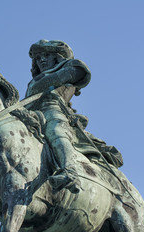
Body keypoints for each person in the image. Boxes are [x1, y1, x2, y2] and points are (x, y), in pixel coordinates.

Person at [25, 40, 123, 193]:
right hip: (31, 114)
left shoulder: (69, 67)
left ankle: (70, 172)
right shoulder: (33, 82)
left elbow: (80, 73)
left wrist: (45, 83)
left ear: (57, 56)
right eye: (38, 58)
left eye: (47, 55)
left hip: (54, 111)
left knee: (55, 130)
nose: (42, 60)